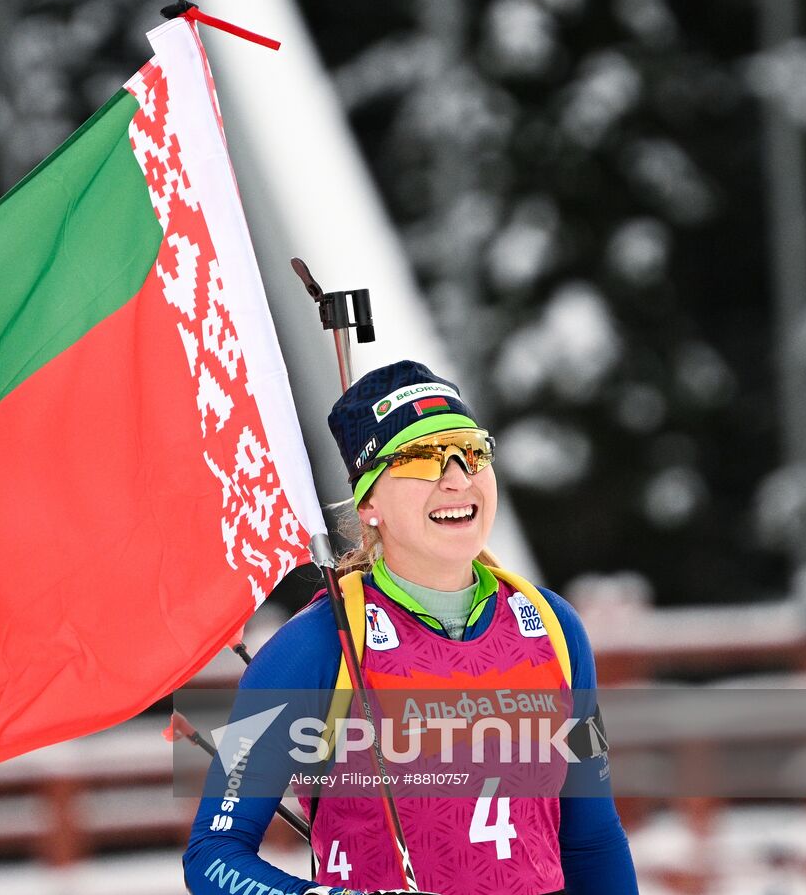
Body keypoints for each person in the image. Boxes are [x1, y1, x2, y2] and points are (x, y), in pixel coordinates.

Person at [181, 361, 638, 895]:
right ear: (369, 501)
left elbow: (592, 840)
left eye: (472, 452)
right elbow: (213, 857)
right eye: (421, 459)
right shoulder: (314, 647)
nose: (456, 478)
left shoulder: (553, 628)